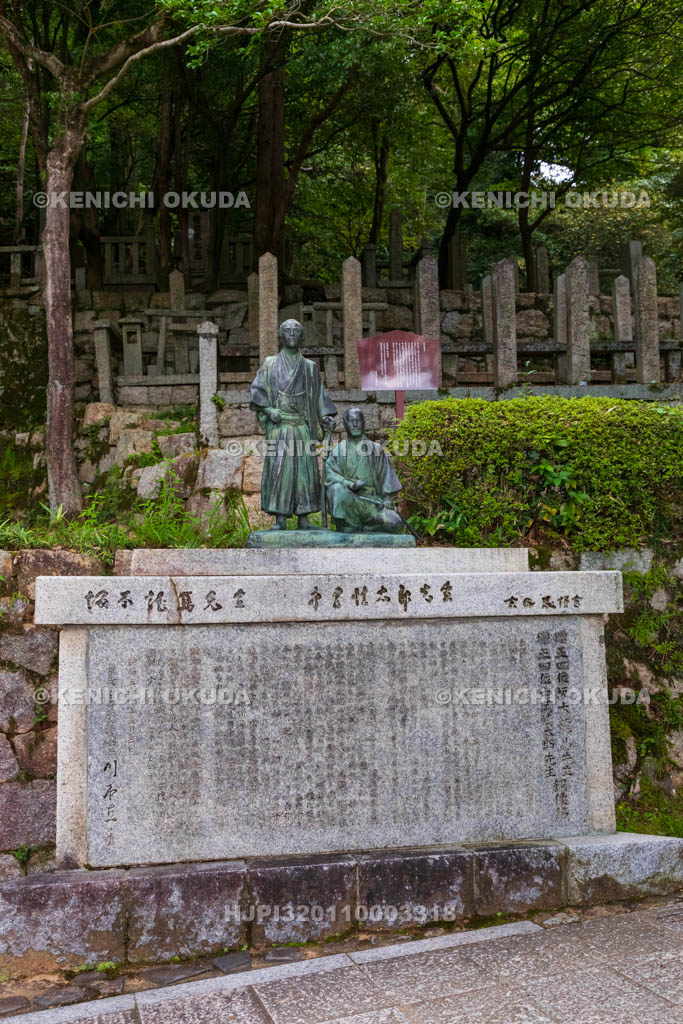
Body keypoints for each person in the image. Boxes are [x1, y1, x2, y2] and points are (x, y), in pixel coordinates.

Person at [250, 319, 336, 530]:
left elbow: (319, 396)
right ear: (280, 336)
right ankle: (280, 518)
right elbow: (257, 391)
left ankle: (304, 517)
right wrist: (269, 410)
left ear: (302, 337)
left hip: (302, 427)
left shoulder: (309, 367)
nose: (291, 334)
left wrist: (325, 417)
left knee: (305, 473)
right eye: (286, 331)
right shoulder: (270, 364)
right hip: (280, 427)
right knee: (280, 471)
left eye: (296, 331)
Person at [324, 407, 404, 533]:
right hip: (350, 501)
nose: (355, 425)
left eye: (358, 420)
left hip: (372, 503)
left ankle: (370, 524)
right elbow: (330, 475)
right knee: (336, 489)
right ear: (345, 424)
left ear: (363, 423)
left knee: (395, 523)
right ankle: (351, 524)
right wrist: (349, 484)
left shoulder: (376, 449)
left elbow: (387, 476)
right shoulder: (338, 451)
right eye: (351, 421)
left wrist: (387, 499)